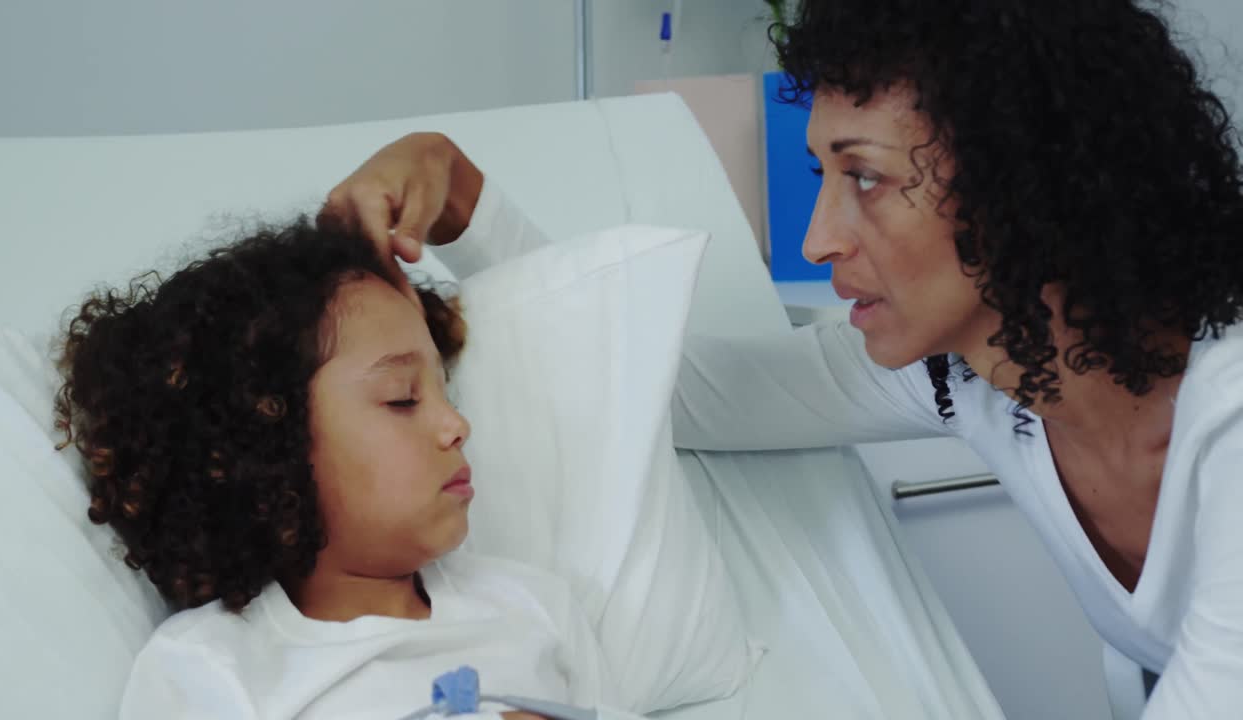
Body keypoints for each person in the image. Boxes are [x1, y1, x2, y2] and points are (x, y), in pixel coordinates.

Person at [320, 1, 1243, 717]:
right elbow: (668, 389)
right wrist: (460, 196)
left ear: (1024, 181)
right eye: (822, 176)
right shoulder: (975, 379)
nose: (819, 237)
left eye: (867, 178)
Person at [55, 219, 644, 720]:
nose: (456, 426)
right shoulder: (212, 666)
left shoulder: (534, 607)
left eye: (447, 393)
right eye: (403, 398)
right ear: (268, 446)